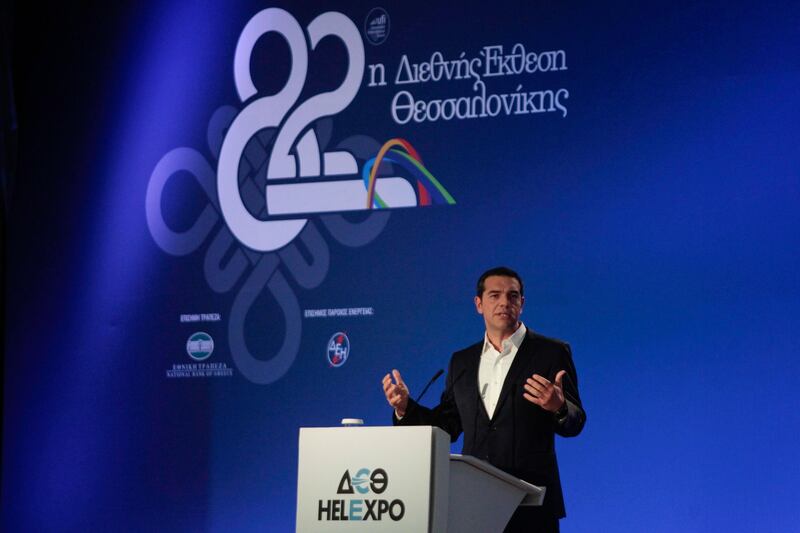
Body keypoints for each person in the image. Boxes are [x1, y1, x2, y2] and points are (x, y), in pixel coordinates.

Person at [382, 266, 586, 533]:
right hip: (474, 502)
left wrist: (558, 407)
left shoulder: (551, 352)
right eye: (495, 295)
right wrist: (405, 408)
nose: (504, 302)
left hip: (532, 502)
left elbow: (575, 421)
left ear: (522, 304)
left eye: (513, 296)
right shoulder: (462, 361)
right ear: (479, 304)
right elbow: (447, 426)